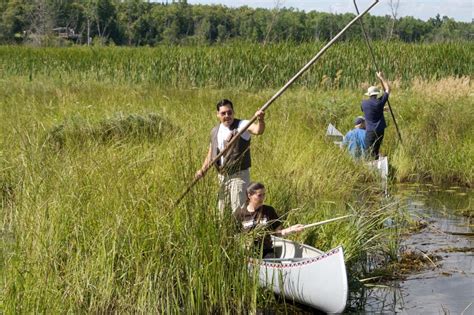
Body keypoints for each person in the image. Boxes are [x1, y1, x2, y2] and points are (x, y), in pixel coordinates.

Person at [195, 99, 265, 213]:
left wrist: (261, 120)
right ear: (217, 114)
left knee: (237, 211)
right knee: (222, 211)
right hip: (222, 177)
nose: (227, 116)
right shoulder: (215, 131)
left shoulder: (242, 125)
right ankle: (224, 231)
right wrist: (202, 170)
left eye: (230, 112)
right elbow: (211, 154)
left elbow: (258, 130)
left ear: (233, 112)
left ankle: (241, 230)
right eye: (223, 113)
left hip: (238, 176)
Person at [234, 182, 304, 258]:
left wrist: (292, 229)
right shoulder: (239, 213)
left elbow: (278, 232)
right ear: (249, 195)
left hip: (266, 251)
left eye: (264, 194)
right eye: (259, 195)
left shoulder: (269, 210)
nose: (263, 198)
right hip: (248, 253)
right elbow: (233, 235)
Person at [361, 72, 391, 160]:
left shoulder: (363, 103)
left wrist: (381, 108)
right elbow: (388, 89)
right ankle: (376, 163)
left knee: (368, 151)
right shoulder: (380, 102)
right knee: (376, 150)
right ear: (377, 94)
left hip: (370, 130)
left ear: (369, 94)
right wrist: (381, 77)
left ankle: (370, 167)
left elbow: (369, 111)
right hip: (380, 130)